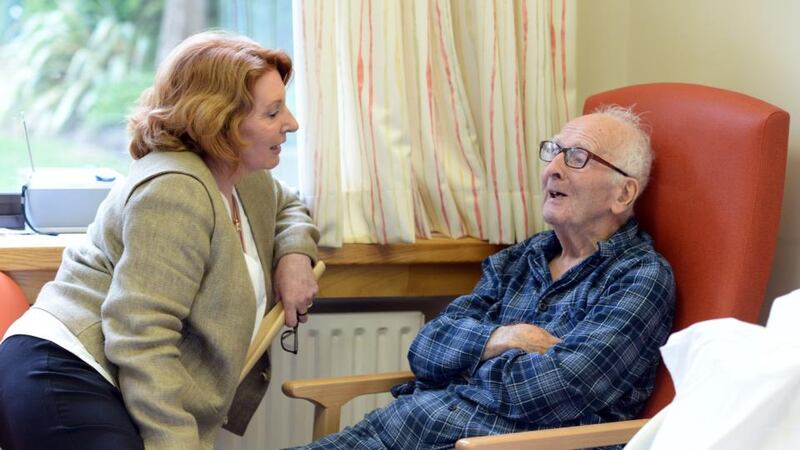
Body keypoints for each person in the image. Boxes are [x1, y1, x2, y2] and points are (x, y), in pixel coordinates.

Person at [0, 31, 319, 450]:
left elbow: (288, 206)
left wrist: (295, 254)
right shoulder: (174, 190)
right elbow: (140, 334)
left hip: (112, 379)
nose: (291, 123)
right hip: (66, 371)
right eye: (273, 112)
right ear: (218, 120)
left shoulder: (246, 178)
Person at [297, 106, 676, 450]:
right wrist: (504, 338)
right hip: (394, 431)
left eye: (577, 158)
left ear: (623, 194)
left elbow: (555, 389)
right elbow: (426, 348)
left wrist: (462, 365)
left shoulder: (640, 278)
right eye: (553, 151)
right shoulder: (520, 258)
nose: (552, 169)